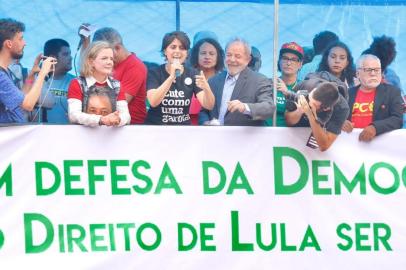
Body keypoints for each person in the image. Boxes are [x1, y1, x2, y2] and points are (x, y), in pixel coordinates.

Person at [199, 38, 275, 126]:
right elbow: (204, 110)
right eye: (229, 55)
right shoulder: (214, 80)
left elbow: (269, 108)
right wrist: (205, 122)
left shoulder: (259, 80)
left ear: (248, 59)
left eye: (237, 56)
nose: (232, 59)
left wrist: (245, 107)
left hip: (244, 138)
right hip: (215, 137)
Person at [145, 31, 215, 125]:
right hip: (156, 128)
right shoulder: (154, 73)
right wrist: (171, 77)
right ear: (165, 51)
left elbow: (209, 105)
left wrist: (207, 88)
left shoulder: (192, 74)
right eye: (173, 47)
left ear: (187, 53)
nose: (177, 51)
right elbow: (153, 101)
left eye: (182, 48)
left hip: (182, 130)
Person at [80, 26, 147, 124]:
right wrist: (86, 41)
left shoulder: (135, 66)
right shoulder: (108, 63)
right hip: (103, 122)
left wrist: (83, 111)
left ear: (117, 47)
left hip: (128, 128)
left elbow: (116, 104)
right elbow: (86, 70)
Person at [0, 18, 56, 123]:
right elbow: (28, 105)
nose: (25, 43)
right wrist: (42, 73)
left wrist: (31, 75)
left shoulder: (5, 71)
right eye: (21, 39)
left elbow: (20, 101)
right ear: (9, 44)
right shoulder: (1, 76)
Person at [67, 41, 130, 127]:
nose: (109, 62)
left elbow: (126, 116)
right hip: (82, 137)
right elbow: (73, 115)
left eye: (111, 59)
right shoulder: (77, 83)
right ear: (91, 62)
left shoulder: (117, 85)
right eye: (104, 58)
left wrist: (118, 119)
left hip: (110, 137)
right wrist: (101, 120)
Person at [341, 54, 403, 141]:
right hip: (350, 147)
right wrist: (340, 122)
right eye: (368, 70)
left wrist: (375, 127)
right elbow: (332, 117)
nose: (373, 73)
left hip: (379, 149)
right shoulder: (346, 94)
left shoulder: (392, 92)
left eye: (377, 70)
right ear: (358, 74)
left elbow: (397, 119)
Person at [285, 82, 350, 151]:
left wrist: (310, 115)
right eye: (309, 99)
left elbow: (324, 146)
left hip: (319, 136)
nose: (309, 104)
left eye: (314, 105)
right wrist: (299, 111)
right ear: (313, 91)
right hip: (294, 139)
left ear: (326, 109)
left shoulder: (341, 108)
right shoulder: (304, 86)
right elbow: (288, 121)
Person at [32, 38, 74, 123]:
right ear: (53, 58)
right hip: (40, 134)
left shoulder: (75, 82)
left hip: (69, 134)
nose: (71, 58)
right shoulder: (36, 80)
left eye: (70, 54)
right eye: (66, 54)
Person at [267, 42, 304, 127]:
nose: (288, 63)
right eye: (285, 58)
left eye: (294, 59)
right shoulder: (268, 84)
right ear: (279, 61)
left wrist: (287, 92)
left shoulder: (302, 87)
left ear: (300, 64)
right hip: (265, 135)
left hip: (291, 137)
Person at [189, 37, 224, 125]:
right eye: (203, 53)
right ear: (196, 55)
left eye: (211, 54)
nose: (207, 57)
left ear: (218, 57)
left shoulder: (225, 80)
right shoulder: (187, 78)